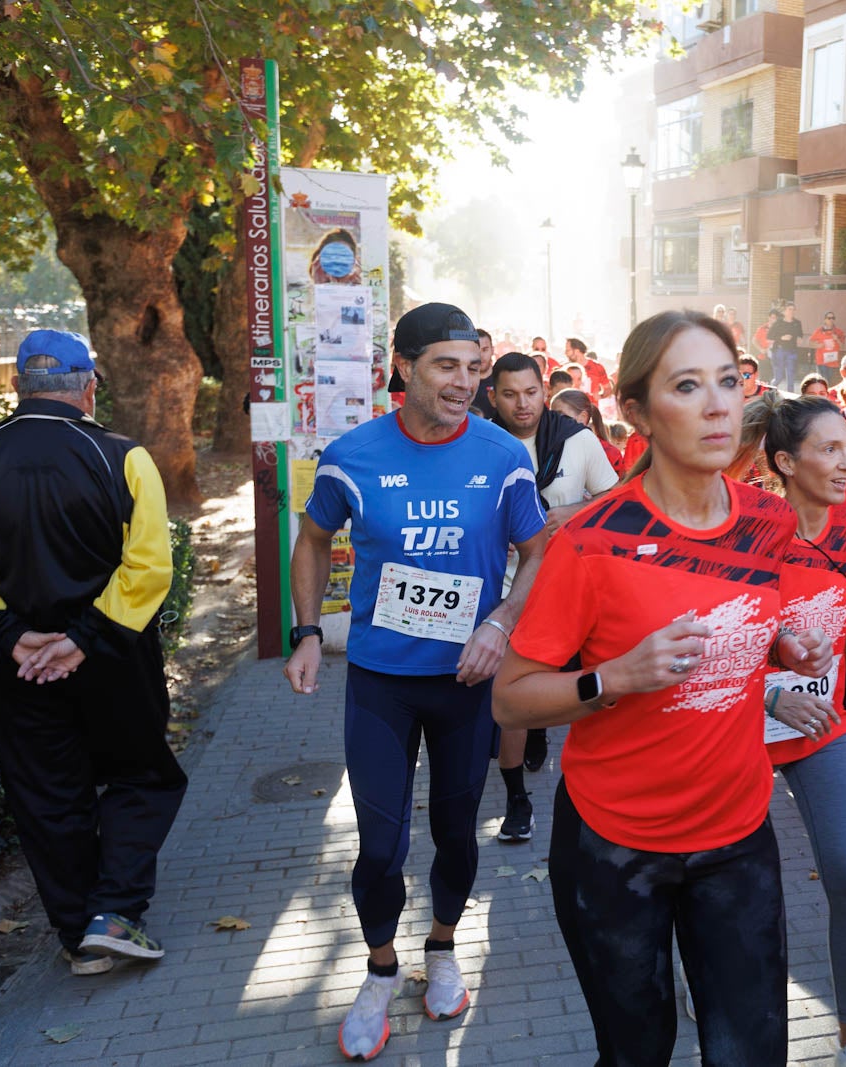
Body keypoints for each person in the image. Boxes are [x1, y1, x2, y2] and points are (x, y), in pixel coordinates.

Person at [492, 310, 832, 1065]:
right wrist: (615, 676)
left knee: (752, 1053)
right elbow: (510, 698)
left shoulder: (770, 521)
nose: (718, 405)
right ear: (636, 412)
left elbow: (739, 609)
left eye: (726, 380)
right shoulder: (590, 540)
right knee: (637, 1052)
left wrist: (777, 642)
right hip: (616, 848)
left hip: (738, 835)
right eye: (687, 385)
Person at [283, 302, 550, 1060]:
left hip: (466, 682)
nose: (465, 382)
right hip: (381, 682)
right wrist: (307, 632)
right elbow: (312, 539)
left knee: (456, 832)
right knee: (379, 844)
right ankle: (377, 966)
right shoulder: (351, 455)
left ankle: (440, 946)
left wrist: (499, 623)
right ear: (402, 367)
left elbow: (538, 552)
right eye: (446, 366)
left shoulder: (503, 458)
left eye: (474, 368)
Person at [0, 330, 186, 977]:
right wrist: (82, 639)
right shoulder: (122, 456)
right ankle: (115, 913)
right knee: (141, 775)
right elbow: (151, 566)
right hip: (114, 658)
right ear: (89, 386)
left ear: (19, 385)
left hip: (16, 667)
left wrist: (11, 636)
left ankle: (79, 936)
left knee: (47, 794)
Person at [759, 393, 846, 1066]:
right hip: (738, 731)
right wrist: (770, 680)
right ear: (785, 462)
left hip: (823, 726)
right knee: (735, 885)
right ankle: (717, 978)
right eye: (830, 449)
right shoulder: (747, 529)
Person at [483, 353, 621, 842]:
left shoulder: (576, 439)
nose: (522, 404)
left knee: (567, 685)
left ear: (544, 391)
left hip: (566, 586)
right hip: (506, 588)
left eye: (531, 392)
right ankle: (517, 799)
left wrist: (578, 508)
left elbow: (615, 496)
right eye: (509, 394)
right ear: (492, 396)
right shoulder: (480, 443)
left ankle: (589, 785)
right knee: (511, 694)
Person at [769, 302, 804, 391]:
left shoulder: (797, 323)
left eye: (793, 309)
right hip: (779, 351)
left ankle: (790, 398)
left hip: (792, 352)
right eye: (789, 309)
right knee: (779, 377)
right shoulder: (778, 322)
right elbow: (770, 336)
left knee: (791, 376)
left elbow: (800, 335)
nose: (791, 311)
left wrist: (800, 339)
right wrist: (781, 338)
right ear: (784, 311)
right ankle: (769, 391)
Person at [810, 311, 846, 376]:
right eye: (829, 318)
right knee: (823, 382)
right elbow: (810, 343)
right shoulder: (819, 331)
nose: (831, 320)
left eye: (833, 318)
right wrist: (818, 345)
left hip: (833, 362)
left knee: (829, 383)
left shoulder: (839, 332)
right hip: (821, 361)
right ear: (825, 320)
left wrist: (837, 339)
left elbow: (842, 347)